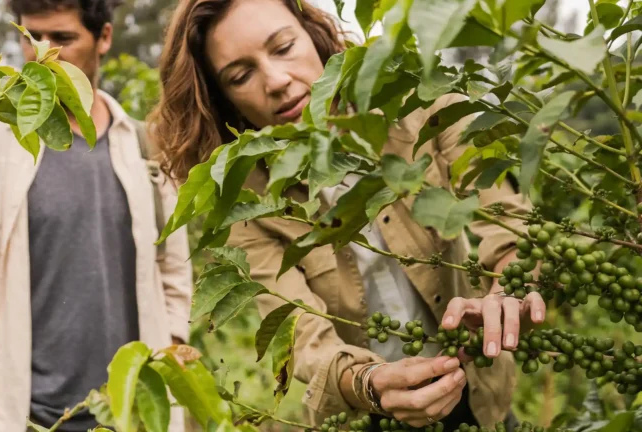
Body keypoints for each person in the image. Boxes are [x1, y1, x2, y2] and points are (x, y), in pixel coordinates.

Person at [148, 0, 546, 430]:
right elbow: (297, 329)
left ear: (312, 35)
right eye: (241, 76)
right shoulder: (244, 203)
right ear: (222, 100)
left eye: (283, 47)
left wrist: (509, 290)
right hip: (363, 412)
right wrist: (370, 383)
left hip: (478, 395)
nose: (278, 81)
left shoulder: (412, 104)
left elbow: (508, 220)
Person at [0, 1, 192, 431]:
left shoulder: (145, 151)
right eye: (31, 37)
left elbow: (174, 279)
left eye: (62, 39)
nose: (42, 53)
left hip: (129, 420)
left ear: (104, 39)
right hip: (19, 420)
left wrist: (167, 368)